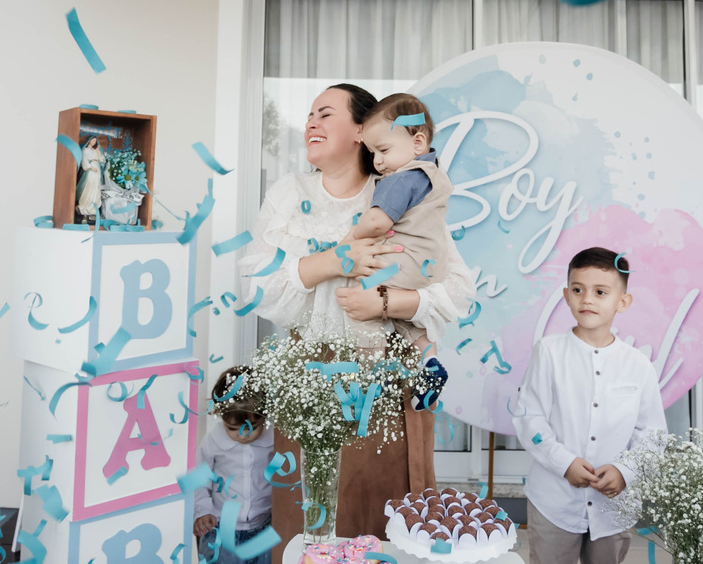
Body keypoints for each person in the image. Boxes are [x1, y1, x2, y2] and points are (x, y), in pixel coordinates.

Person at [239, 84, 476, 549]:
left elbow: (457, 288)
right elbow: (256, 286)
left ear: (361, 130)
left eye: (325, 113)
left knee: (380, 523)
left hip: (386, 380)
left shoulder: (401, 188)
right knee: (311, 526)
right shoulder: (290, 193)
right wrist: (336, 260)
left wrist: (386, 304)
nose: (311, 122)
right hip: (310, 384)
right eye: (309, 114)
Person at [513, 247, 667, 564]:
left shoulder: (638, 365)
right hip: (553, 503)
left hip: (614, 506)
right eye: (578, 290)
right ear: (566, 296)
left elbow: (652, 435)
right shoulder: (549, 352)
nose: (587, 300)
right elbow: (530, 418)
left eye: (600, 292)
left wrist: (625, 471)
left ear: (622, 302)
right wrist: (564, 463)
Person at [342, 93, 452, 348]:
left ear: (418, 142)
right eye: (372, 153)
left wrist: (352, 237)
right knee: (408, 319)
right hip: (430, 268)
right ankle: (428, 358)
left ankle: (372, 361)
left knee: (361, 300)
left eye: (383, 150)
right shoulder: (434, 172)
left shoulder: (402, 179)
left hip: (404, 264)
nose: (377, 161)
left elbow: (377, 222)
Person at [193, 367, 274, 564]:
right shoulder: (213, 440)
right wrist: (202, 511)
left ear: (264, 416)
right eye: (232, 428)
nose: (243, 435)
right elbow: (199, 478)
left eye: (253, 427)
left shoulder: (273, 438)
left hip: (265, 527)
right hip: (223, 529)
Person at [76, 135, 104, 222]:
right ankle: (85, 208)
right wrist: (91, 168)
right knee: (89, 188)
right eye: (92, 140)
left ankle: (93, 209)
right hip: (90, 171)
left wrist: (98, 151)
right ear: (89, 141)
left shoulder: (95, 150)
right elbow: (84, 162)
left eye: (95, 141)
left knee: (96, 189)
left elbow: (102, 160)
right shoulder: (85, 150)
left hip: (97, 171)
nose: (94, 142)